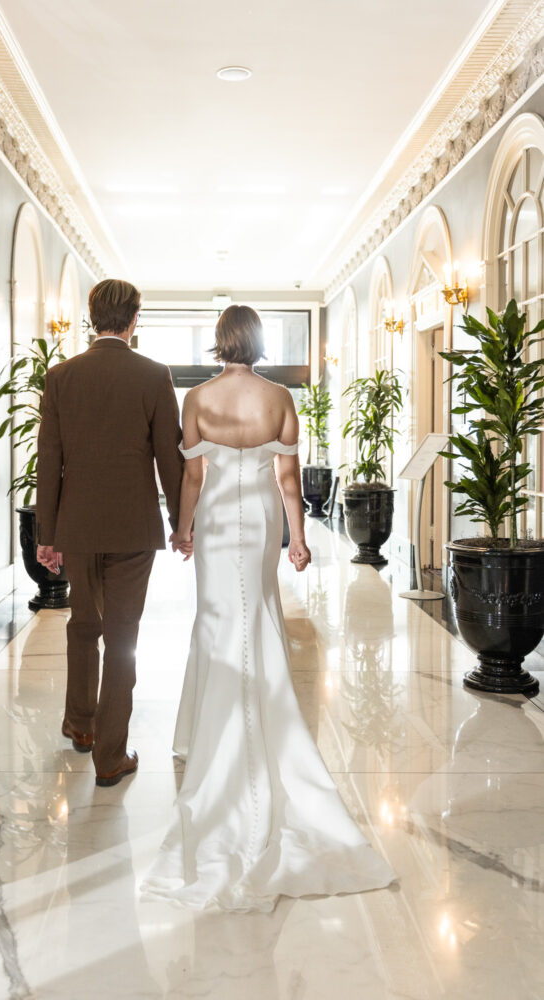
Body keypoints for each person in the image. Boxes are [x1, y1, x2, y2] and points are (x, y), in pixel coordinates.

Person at [141, 304, 396, 911]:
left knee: (215, 620)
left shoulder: (197, 398)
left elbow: (194, 478)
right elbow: (288, 479)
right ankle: (246, 716)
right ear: (256, 342)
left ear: (220, 343)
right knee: (256, 614)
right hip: (257, 522)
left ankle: (210, 727)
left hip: (217, 521)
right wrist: (298, 538)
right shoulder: (281, 398)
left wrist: (183, 529)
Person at [36, 278, 183, 787]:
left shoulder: (61, 376)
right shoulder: (154, 375)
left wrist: (47, 534)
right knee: (122, 638)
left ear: (91, 316)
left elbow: (49, 460)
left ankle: (80, 725)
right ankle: (111, 757)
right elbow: (169, 458)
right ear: (135, 318)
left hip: (75, 525)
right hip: (132, 529)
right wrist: (180, 523)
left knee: (82, 624)